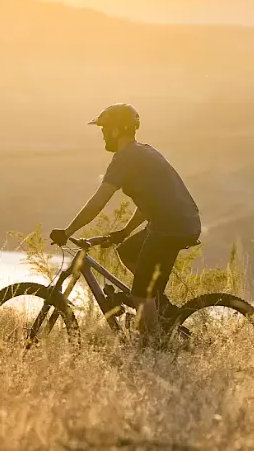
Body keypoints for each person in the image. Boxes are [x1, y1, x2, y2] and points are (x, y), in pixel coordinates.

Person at [49, 103, 201, 341]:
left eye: (104, 130)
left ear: (116, 130)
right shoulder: (144, 152)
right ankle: (162, 311)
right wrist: (125, 231)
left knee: (140, 293)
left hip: (168, 227)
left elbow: (98, 202)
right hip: (181, 222)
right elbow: (152, 200)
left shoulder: (124, 158)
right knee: (128, 250)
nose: (102, 135)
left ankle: (154, 346)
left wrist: (68, 231)